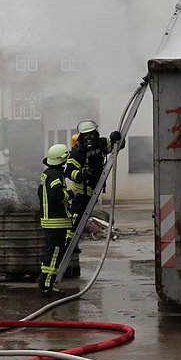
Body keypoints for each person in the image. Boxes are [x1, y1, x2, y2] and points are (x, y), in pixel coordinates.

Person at [65, 119, 123, 237]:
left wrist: (116, 137)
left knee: (85, 217)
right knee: (76, 220)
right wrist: (82, 175)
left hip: (94, 188)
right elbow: (69, 172)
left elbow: (117, 145)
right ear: (81, 136)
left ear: (96, 134)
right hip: (81, 192)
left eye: (91, 134)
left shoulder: (101, 143)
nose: (89, 138)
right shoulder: (77, 152)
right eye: (86, 135)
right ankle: (70, 242)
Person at [37, 143, 73, 297]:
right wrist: (71, 195)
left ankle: (45, 284)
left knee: (51, 253)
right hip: (56, 222)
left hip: (49, 221)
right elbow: (57, 196)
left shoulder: (46, 174)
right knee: (54, 255)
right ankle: (47, 287)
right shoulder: (56, 176)